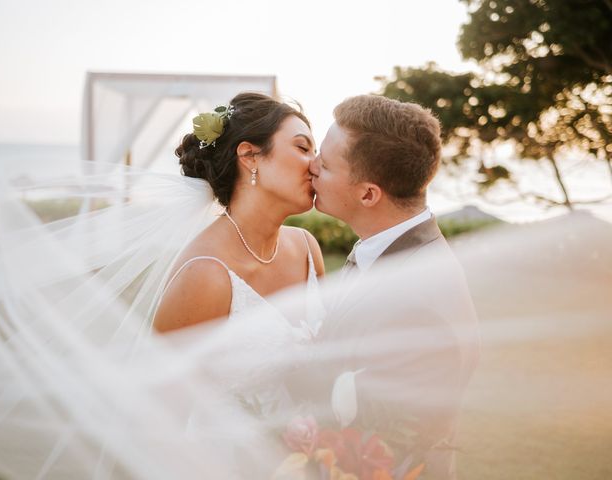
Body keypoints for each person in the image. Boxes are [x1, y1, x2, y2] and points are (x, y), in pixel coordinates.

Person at [308, 94, 481, 479]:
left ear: (368, 193)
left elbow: (393, 446)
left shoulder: (420, 297)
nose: (311, 166)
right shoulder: (380, 250)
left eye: (326, 163)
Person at [154, 92, 325, 333]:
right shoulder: (203, 275)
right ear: (249, 156)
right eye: (303, 147)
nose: (316, 165)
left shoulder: (307, 249)